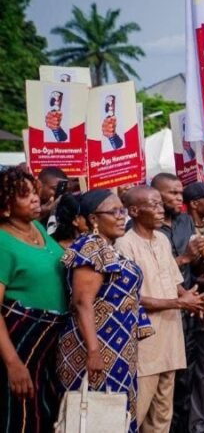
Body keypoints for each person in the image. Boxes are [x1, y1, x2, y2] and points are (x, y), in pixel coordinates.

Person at [116, 186, 204, 432]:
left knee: (162, 416)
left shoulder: (161, 239)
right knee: (135, 413)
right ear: (134, 211)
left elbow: (174, 281)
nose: (161, 211)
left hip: (170, 338)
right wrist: (181, 302)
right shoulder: (124, 245)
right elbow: (132, 298)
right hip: (144, 344)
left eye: (161, 204)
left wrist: (191, 298)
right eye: (154, 205)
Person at [56, 189, 154, 433]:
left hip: (118, 349)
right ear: (93, 219)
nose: (122, 217)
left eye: (122, 211)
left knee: (114, 417)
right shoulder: (90, 247)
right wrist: (93, 351)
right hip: (95, 348)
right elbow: (82, 303)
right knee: (93, 419)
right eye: (114, 212)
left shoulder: (110, 248)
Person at [151, 172, 204, 433]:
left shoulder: (184, 222)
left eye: (180, 193)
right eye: (172, 193)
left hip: (190, 311)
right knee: (165, 383)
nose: (178, 198)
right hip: (160, 312)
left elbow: (194, 263)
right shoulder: (145, 228)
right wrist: (184, 258)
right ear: (155, 195)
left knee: (188, 376)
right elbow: (153, 273)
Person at [0, 167, 67, 433]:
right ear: (5, 206)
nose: (35, 199)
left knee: (46, 412)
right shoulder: (3, 243)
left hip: (50, 341)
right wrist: (13, 363)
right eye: (24, 195)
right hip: (22, 342)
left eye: (34, 192)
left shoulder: (38, 227)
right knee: (21, 416)